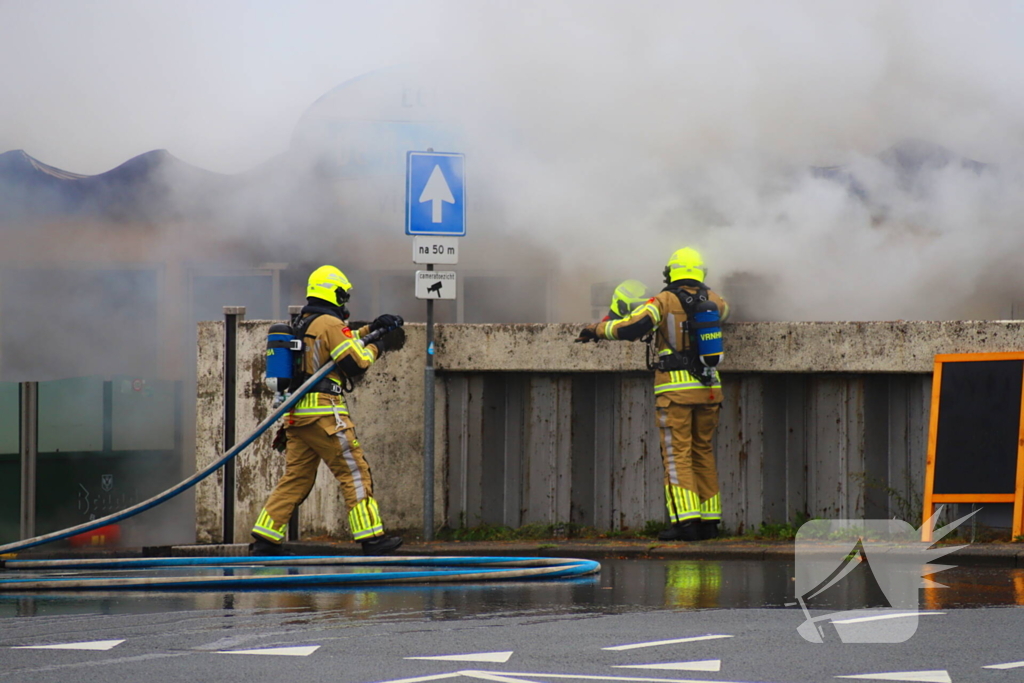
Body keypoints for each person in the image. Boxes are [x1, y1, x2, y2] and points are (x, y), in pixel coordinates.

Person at [577, 247, 730, 542]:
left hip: (675, 391)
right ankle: (710, 523)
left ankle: (685, 524)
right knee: (703, 452)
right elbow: (728, 313)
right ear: (701, 272)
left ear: (670, 272)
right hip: (710, 388)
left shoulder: (662, 300)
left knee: (677, 456)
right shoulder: (715, 300)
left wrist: (595, 330)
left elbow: (632, 328)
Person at [250, 265, 404, 556]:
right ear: (334, 293)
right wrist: (378, 346)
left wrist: (372, 327)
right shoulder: (329, 324)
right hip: (325, 415)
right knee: (355, 472)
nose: (345, 301)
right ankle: (372, 538)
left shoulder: (305, 322)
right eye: (343, 295)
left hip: (297, 417)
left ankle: (264, 539)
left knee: (296, 478)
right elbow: (354, 361)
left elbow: (345, 339)